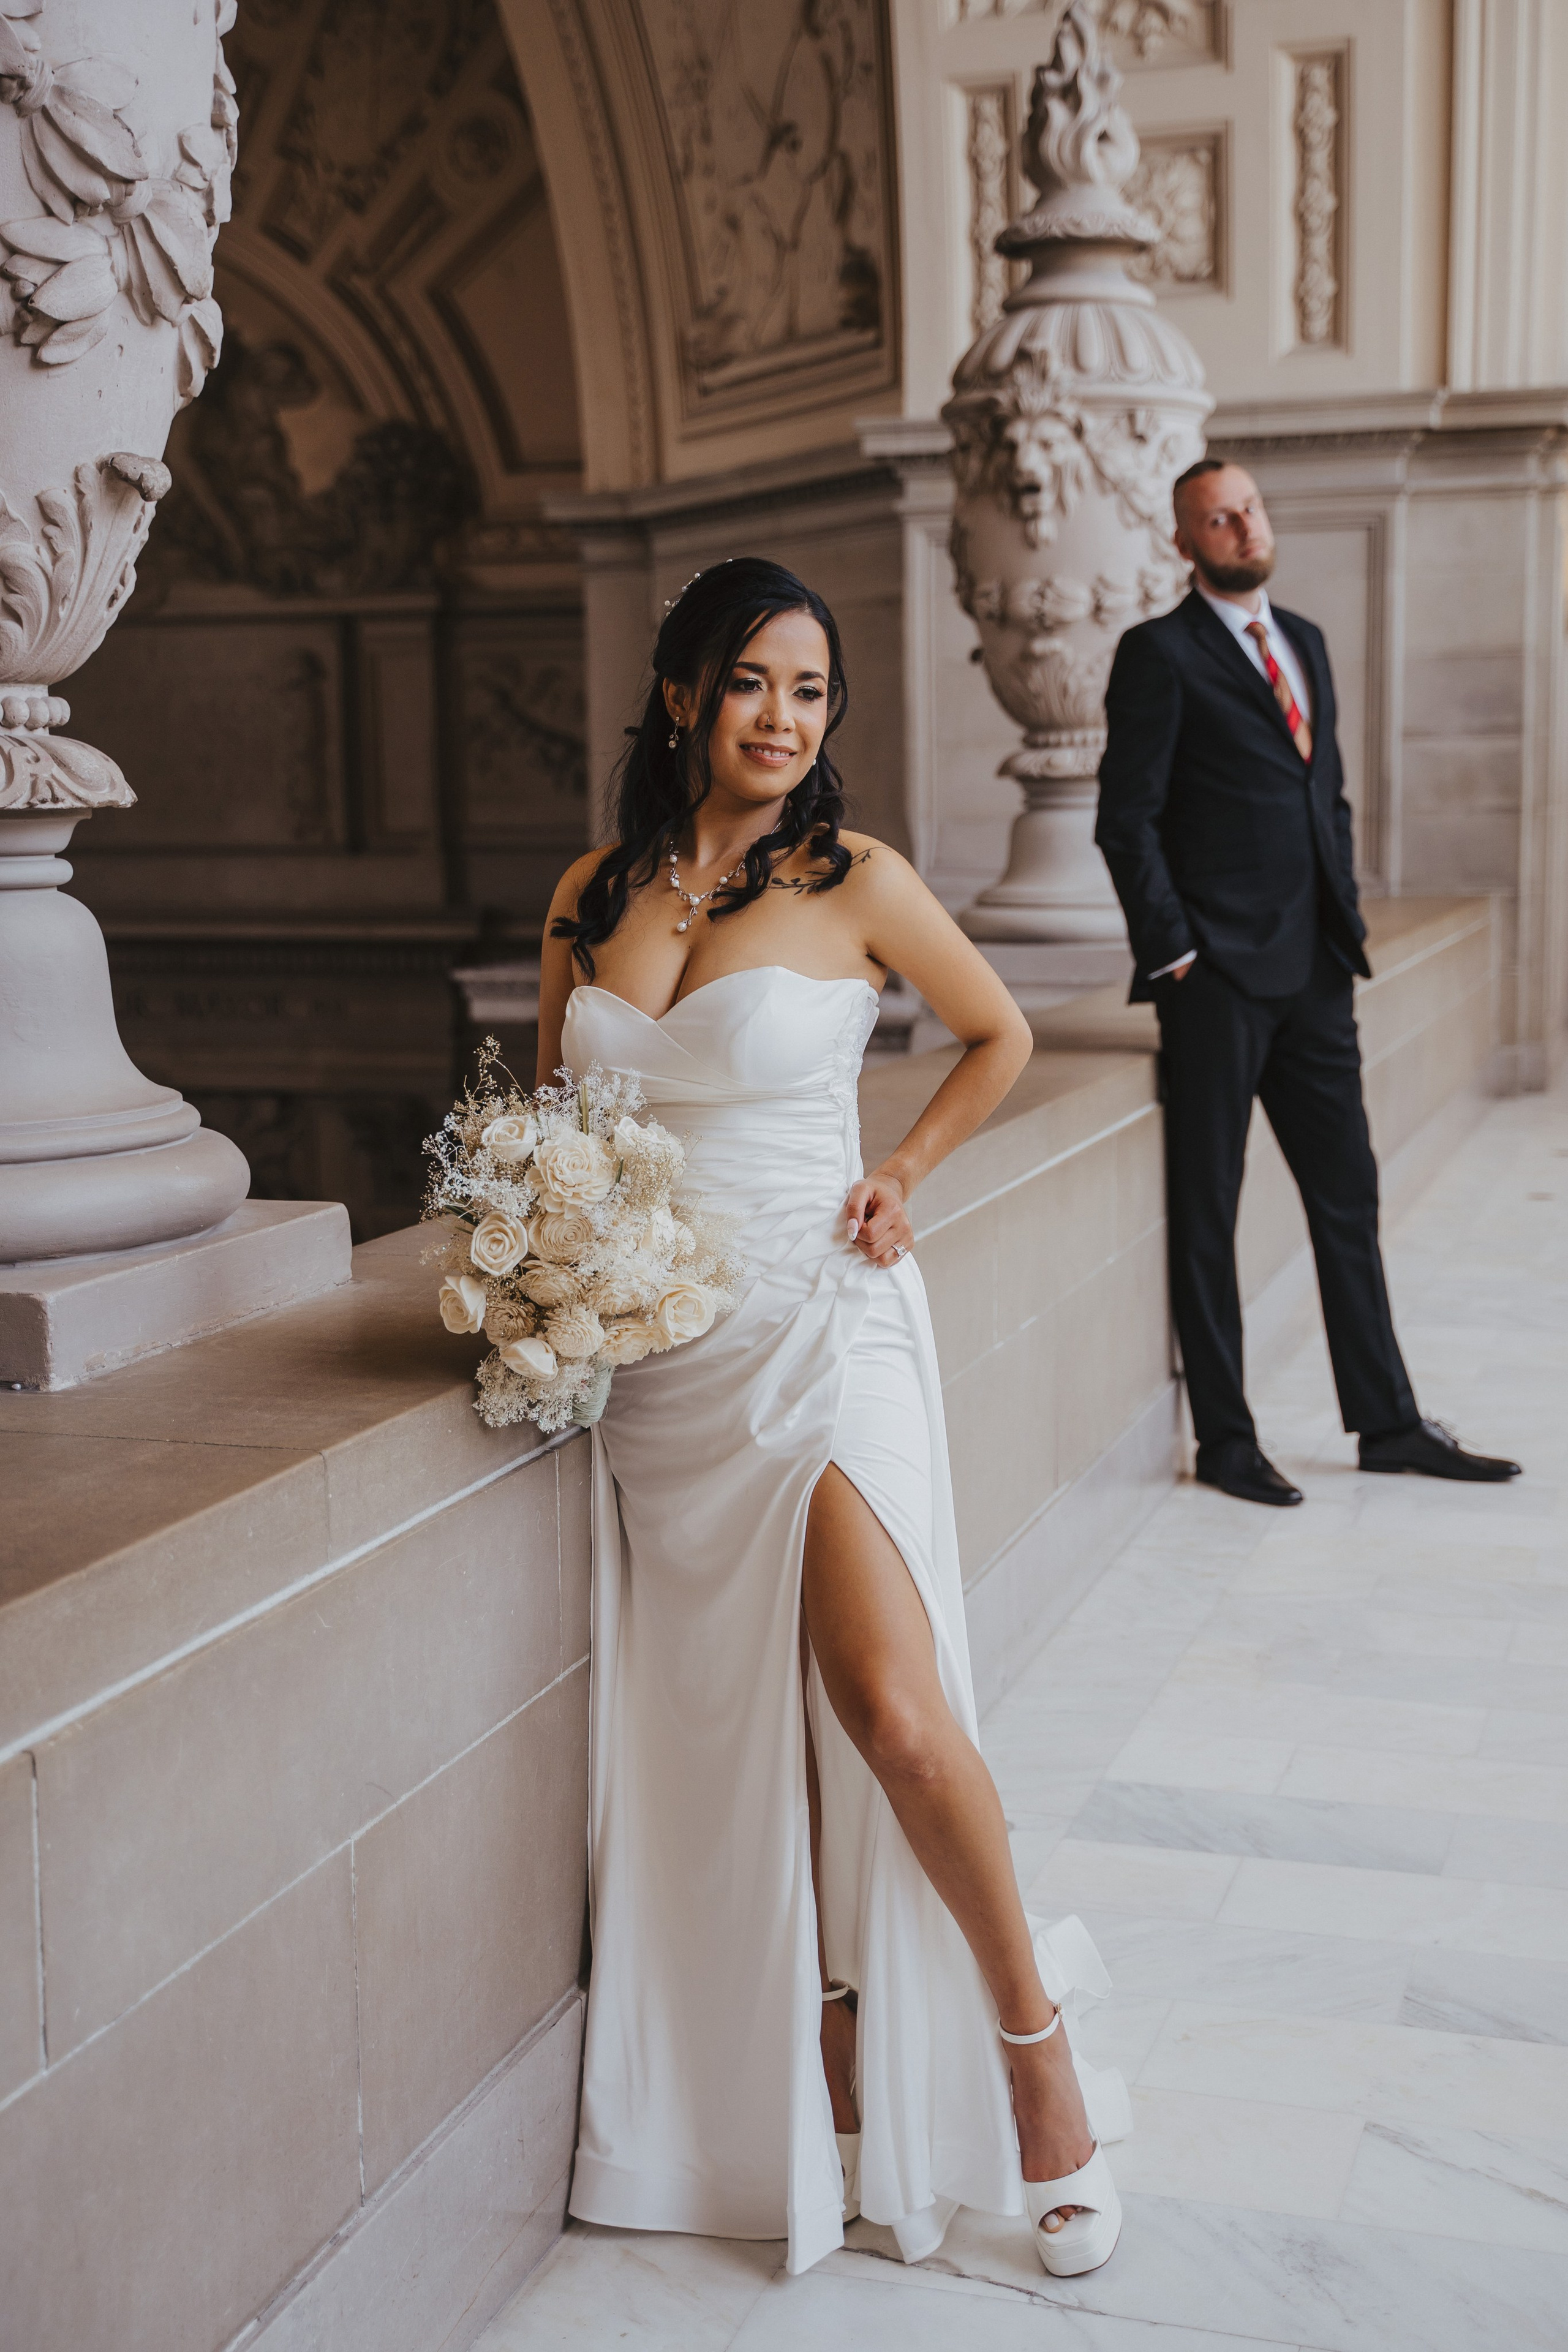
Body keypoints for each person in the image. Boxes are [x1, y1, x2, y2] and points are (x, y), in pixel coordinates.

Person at [536, 558, 1129, 2278]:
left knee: (887, 1705)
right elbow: (545, 1121)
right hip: (659, 1377)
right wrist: (537, 1266)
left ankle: (1034, 2062)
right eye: (751, 682)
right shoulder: (591, 892)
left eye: (810, 691)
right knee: (734, 1736)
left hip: (821, 1322)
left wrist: (903, 1172)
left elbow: (999, 1033)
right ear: (680, 694)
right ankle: (833, 2049)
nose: (783, 719)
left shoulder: (855, 878)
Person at [1095, 458, 1520, 1506]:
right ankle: (1226, 1442)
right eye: (1218, 519)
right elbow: (1126, 818)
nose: (1244, 527)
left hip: (1317, 971)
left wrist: (1347, 913)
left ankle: (1389, 1423)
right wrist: (1176, 954)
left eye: (1249, 509)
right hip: (1217, 983)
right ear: (1185, 544)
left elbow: (1322, 791)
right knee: (1210, 1210)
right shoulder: (1160, 654)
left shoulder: (1307, 641)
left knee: (1349, 1195)